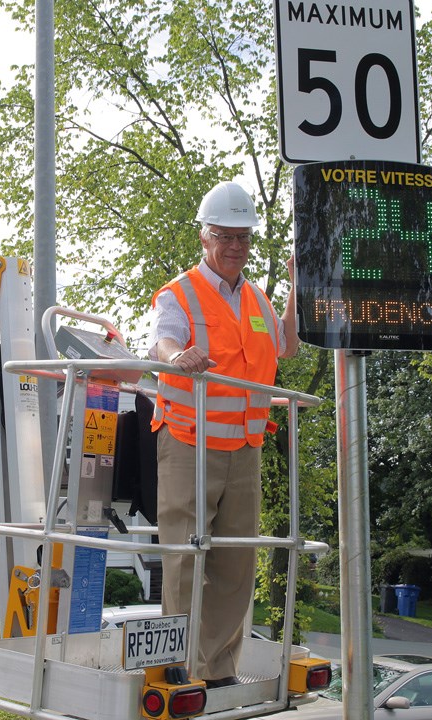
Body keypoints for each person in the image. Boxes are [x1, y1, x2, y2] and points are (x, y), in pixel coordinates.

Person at [148, 180, 298, 687]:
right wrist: (178, 358)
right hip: (188, 442)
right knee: (186, 559)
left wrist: (299, 288)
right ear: (204, 238)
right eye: (224, 236)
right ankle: (175, 667)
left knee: (237, 566)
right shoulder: (180, 292)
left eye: (243, 237)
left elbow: (287, 348)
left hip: (245, 448)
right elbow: (161, 343)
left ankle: (216, 670)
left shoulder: (256, 296)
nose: (235, 246)